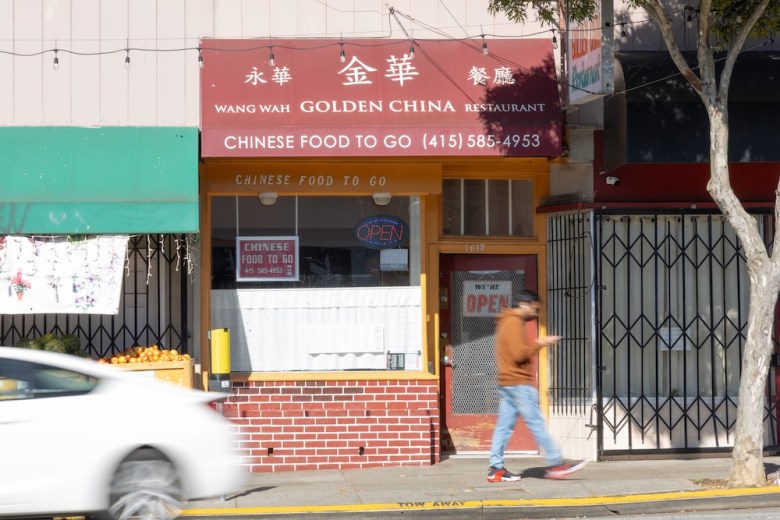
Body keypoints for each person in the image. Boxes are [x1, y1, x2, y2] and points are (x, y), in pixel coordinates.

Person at [487, 290, 587, 482]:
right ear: (524, 304)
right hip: (518, 384)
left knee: (503, 427)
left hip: (508, 383)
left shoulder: (506, 321)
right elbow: (519, 354)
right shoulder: (514, 322)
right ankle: (558, 465)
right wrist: (540, 342)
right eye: (535, 308)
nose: (535, 313)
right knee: (537, 424)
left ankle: (496, 469)